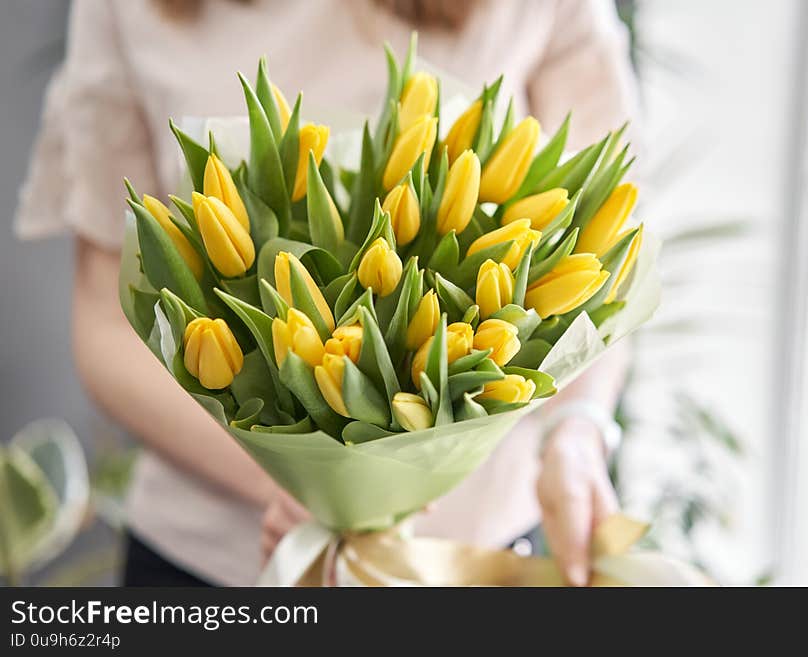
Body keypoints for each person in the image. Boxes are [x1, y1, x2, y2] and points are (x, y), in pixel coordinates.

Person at [15, 0, 638, 587]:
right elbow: (105, 320)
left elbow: (599, 249)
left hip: (472, 557)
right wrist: (314, 492)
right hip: (212, 562)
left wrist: (579, 432)